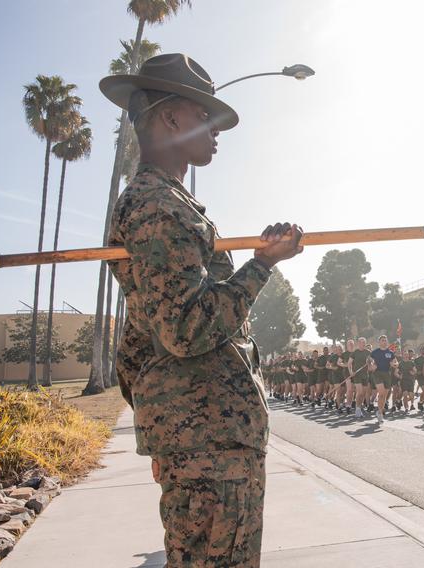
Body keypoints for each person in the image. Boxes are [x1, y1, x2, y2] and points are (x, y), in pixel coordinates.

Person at [102, 53, 304, 567]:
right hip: (208, 444)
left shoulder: (168, 202)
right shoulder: (157, 207)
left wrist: (157, 419)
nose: (217, 132)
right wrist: (262, 265)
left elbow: (137, 340)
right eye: (206, 117)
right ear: (170, 117)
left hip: (204, 440)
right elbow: (185, 330)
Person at [370, 335, 397, 422]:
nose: (384, 342)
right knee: (381, 393)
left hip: (387, 374)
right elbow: (369, 360)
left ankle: (379, 411)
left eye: (385, 340)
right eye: (382, 340)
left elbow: (396, 362)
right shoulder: (375, 352)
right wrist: (371, 365)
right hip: (377, 373)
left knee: (384, 395)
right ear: (379, 342)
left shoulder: (390, 352)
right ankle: (380, 414)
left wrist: (395, 364)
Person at [351, 337, 372, 418]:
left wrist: (369, 362)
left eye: (364, 342)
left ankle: (359, 408)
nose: (362, 344)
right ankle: (357, 409)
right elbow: (349, 363)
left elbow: (372, 361)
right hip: (357, 375)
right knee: (359, 392)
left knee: (363, 393)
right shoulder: (355, 352)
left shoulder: (368, 352)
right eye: (361, 342)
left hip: (365, 375)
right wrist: (351, 372)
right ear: (358, 343)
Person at [413, 346, 424, 412]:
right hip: (420, 377)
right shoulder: (417, 360)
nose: (423, 351)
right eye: (422, 350)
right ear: (420, 351)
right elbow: (414, 368)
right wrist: (417, 371)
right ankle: (421, 403)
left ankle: (420, 403)